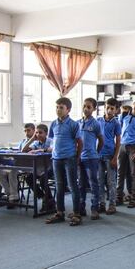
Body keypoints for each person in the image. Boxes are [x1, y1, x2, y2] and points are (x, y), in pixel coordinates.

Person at [45, 97, 83, 226]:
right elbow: (52, 140)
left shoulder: (73, 124)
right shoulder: (53, 124)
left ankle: (77, 213)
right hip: (56, 159)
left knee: (72, 186)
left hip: (69, 158)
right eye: (57, 107)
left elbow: (79, 142)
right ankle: (59, 212)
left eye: (61, 107)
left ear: (68, 110)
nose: (58, 110)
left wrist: (77, 158)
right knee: (59, 186)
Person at [0, 123, 35, 208]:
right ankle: (10, 194)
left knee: (12, 171)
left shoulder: (35, 142)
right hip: (17, 165)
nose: (26, 133)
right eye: (25, 131)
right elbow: (18, 151)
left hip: (27, 166)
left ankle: (14, 198)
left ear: (34, 130)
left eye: (28, 130)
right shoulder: (23, 141)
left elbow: (28, 153)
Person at [78, 98, 104, 220]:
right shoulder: (78, 123)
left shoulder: (95, 124)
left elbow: (101, 141)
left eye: (89, 107)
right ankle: (81, 207)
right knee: (81, 184)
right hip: (79, 158)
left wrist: (96, 153)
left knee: (93, 183)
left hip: (91, 158)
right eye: (84, 106)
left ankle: (94, 208)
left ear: (93, 109)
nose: (86, 109)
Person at [21, 124, 55, 212]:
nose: (38, 135)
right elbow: (24, 150)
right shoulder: (36, 142)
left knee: (43, 180)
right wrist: (32, 139)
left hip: (51, 168)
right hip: (39, 169)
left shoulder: (51, 141)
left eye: (40, 133)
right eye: (36, 133)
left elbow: (52, 149)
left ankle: (48, 201)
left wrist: (40, 150)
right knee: (29, 179)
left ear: (46, 133)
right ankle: (45, 198)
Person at [97, 98, 121, 215]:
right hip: (98, 155)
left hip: (110, 154)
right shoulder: (98, 121)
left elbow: (118, 141)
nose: (109, 110)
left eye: (112, 108)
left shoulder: (116, 123)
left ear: (116, 110)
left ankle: (112, 204)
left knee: (111, 181)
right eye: (107, 108)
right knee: (99, 180)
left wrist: (115, 157)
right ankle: (101, 204)